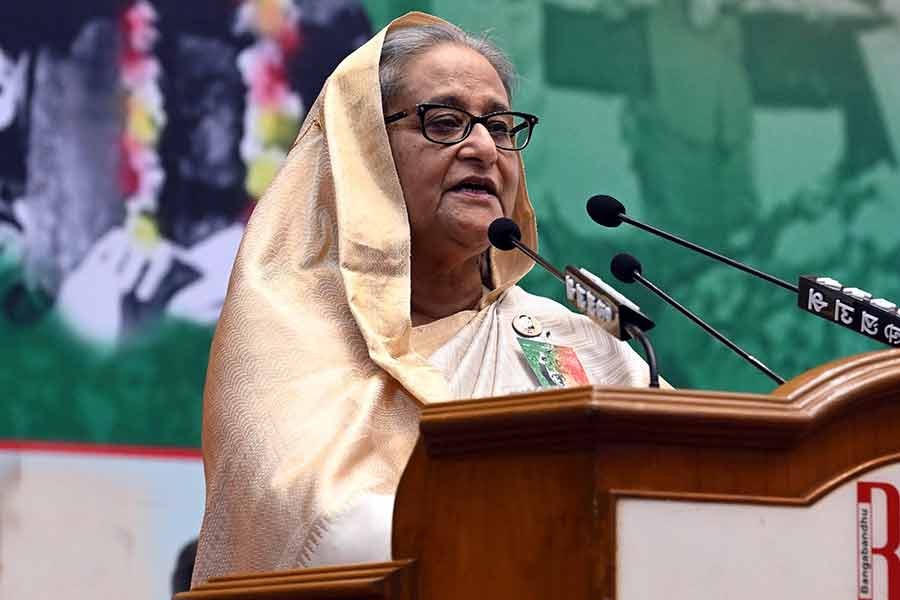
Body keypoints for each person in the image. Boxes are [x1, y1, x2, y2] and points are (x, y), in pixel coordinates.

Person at [191, 11, 655, 586]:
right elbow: (326, 532)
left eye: (500, 127)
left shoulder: (574, 341)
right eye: (445, 122)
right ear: (365, 154)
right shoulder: (288, 333)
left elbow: (686, 503)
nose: (484, 148)